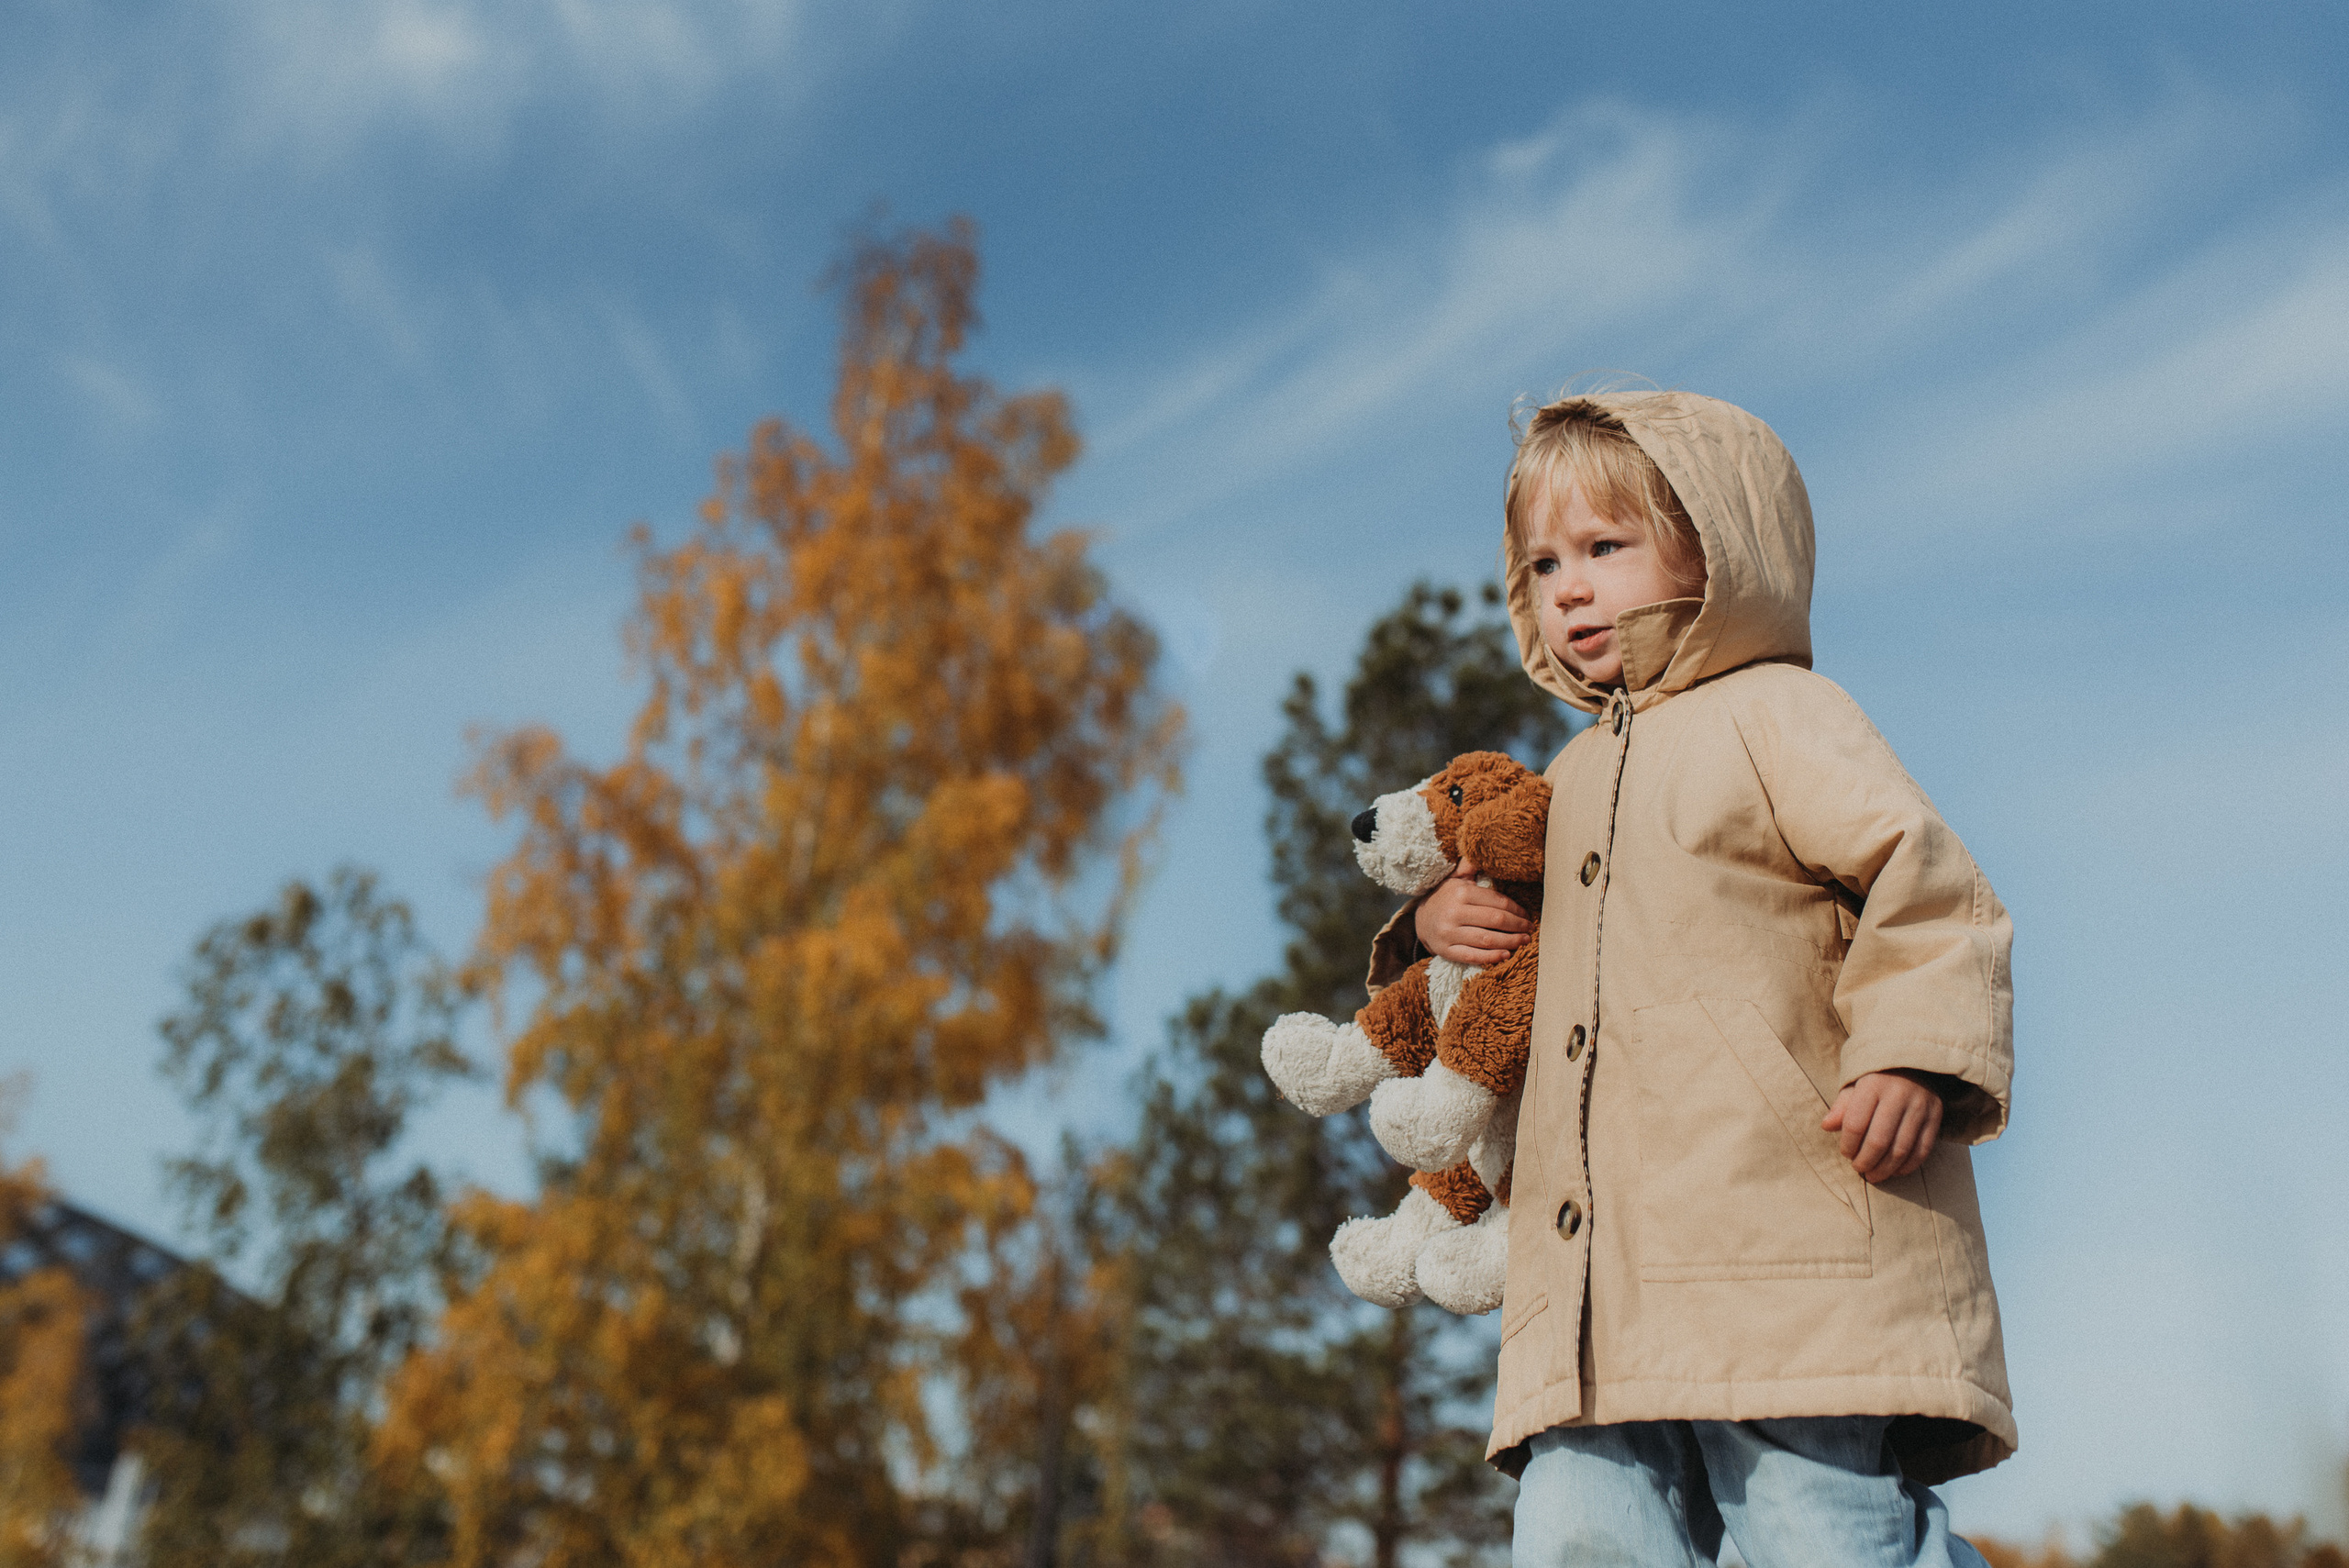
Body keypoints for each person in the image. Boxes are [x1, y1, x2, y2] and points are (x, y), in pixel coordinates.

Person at [1373, 391, 2013, 1568]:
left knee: (1817, 1530)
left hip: (1784, 1248)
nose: (1567, 586)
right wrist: (1432, 920)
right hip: (1589, 1285)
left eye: (1604, 548)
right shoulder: (1559, 781)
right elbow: (1504, 962)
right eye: (1543, 561)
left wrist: (1914, 1051)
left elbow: (1922, 885)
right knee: (1577, 1533)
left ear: (1717, 551)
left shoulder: (1781, 716)